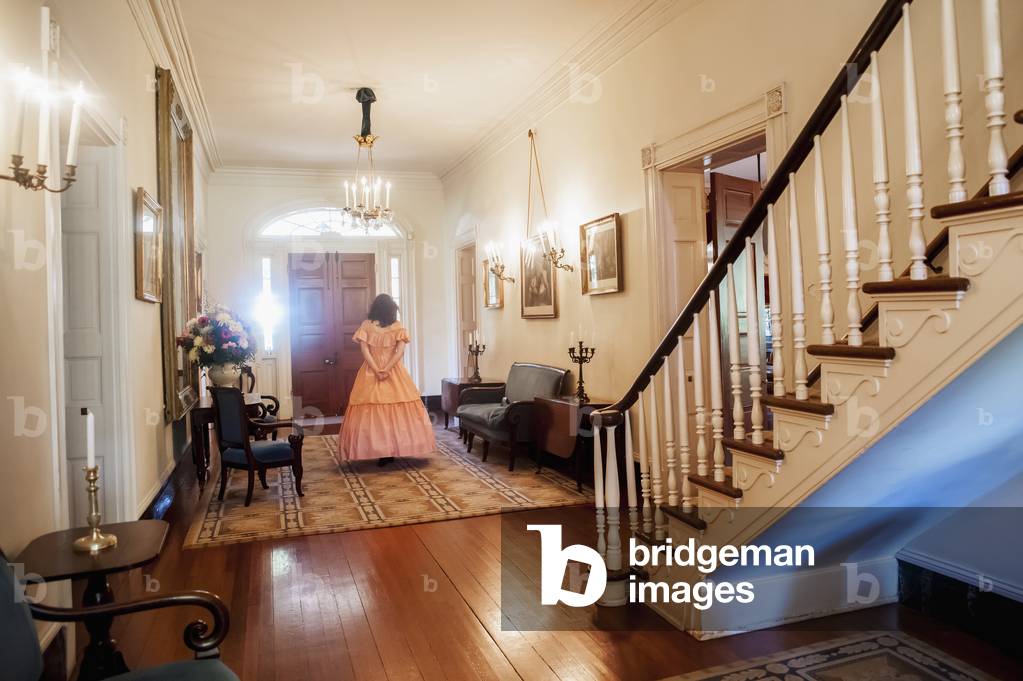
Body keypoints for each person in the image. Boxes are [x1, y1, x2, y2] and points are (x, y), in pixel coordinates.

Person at [338, 294, 436, 465]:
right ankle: (395, 447)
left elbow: (365, 351)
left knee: (371, 410)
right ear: (392, 309)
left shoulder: (366, 325)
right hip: (394, 371)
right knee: (398, 409)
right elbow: (400, 352)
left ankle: (378, 448)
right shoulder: (397, 327)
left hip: (371, 370)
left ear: (374, 308)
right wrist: (387, 369)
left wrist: (376, 369)